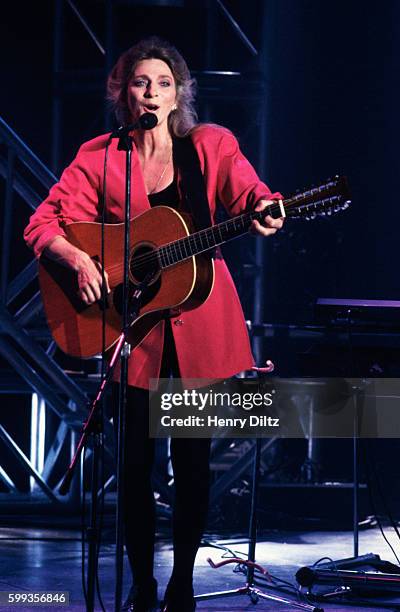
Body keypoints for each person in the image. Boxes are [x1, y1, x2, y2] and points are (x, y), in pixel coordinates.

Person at [24, 36, 283, 612]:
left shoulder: (211, 145)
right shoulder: (102, 155)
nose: (153, 92)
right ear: (124, 92)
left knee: (192, 463)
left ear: (179, 93)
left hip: (202, 329)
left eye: (164, 83)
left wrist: (266, 208)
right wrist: (75, 256)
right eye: (142, 82)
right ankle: (142, 584)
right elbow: (43, 221)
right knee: (135, 467)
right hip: (134, 330)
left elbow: (250, 192)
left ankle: (183, 584)